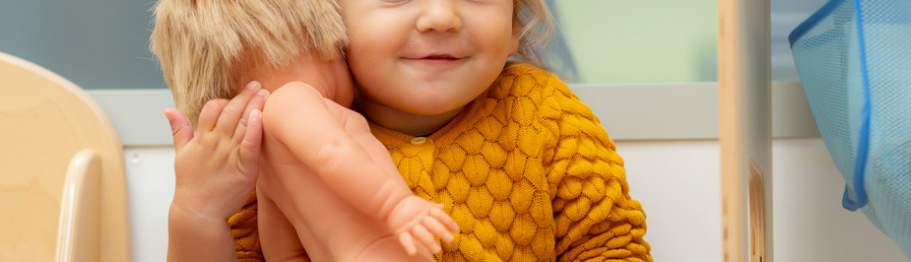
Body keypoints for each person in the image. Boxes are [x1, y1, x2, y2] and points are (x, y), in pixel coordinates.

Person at [227, 0, 657, 261]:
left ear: (513, 27)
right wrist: (197, 209)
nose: (440, 17)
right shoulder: (290, 135)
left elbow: (610, 248)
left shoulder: (545, 113)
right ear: (328, 23)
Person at [149, 0, 459, 261]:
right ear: (323, 45)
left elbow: (282, 251)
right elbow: (332, 153)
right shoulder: (293, 98)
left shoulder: (265, 169)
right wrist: (396, 205)